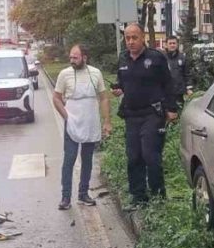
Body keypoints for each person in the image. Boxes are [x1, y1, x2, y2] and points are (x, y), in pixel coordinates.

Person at [113, 23, 178, 206]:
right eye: (127, 38)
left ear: (143, 38)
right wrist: (118, 88)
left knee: (150, 155)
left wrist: (172, 109)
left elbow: (168, 84)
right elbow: (122, 82)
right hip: (131, 115)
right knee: (134, 156)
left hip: (152, 114)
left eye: (134, 37)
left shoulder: (156, 58)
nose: (131, 41)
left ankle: (158, 196)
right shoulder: (123, 58)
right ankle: (138, 196)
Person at [53, 45, 112, 210]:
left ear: (84, 57)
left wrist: (107, 121)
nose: (72, 60)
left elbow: (104, 98)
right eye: (71, 57)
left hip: (90, 121)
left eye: (75, 57)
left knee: (87, 159)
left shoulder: (96, 73)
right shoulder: (64, 74)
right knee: (69, 158)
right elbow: (56, 98)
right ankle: (65, 197)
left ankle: (83, 193)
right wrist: (66, 116)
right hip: (72, 121)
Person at [162, 36, 192, 109]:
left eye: (174, 43)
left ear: (177, 44)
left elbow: (187, 74)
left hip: (180, 92)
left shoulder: (182, 57)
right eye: (170, 43)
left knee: (179, 111)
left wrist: (189, 88)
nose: (172, 45)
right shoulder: (162, 58)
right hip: (166, 93)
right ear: (166, 45)